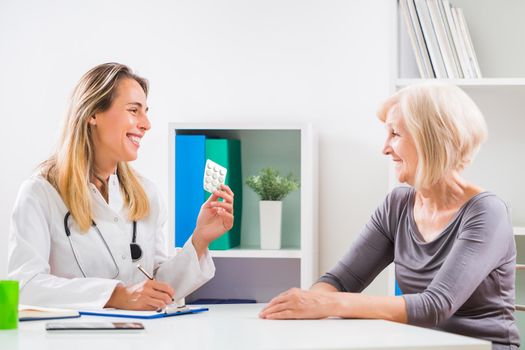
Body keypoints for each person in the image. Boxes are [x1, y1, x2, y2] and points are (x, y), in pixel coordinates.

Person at [260, 83, 519, 349]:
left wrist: (328, 303)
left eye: (395, 134)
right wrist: (311, 305)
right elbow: (339, 281)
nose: (385, 148)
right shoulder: (398, 205)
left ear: (431, 139)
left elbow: (435, 306)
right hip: (419, 344)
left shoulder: (487, 212)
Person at [8, 62, 235, 311]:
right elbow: (25, 287)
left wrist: (200, 239)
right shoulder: (41, 193)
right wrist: (115, 295)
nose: (146, 124)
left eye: (145, 112)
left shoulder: (146, 195)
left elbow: (156, 287)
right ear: (93, 114)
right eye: (133, 110)